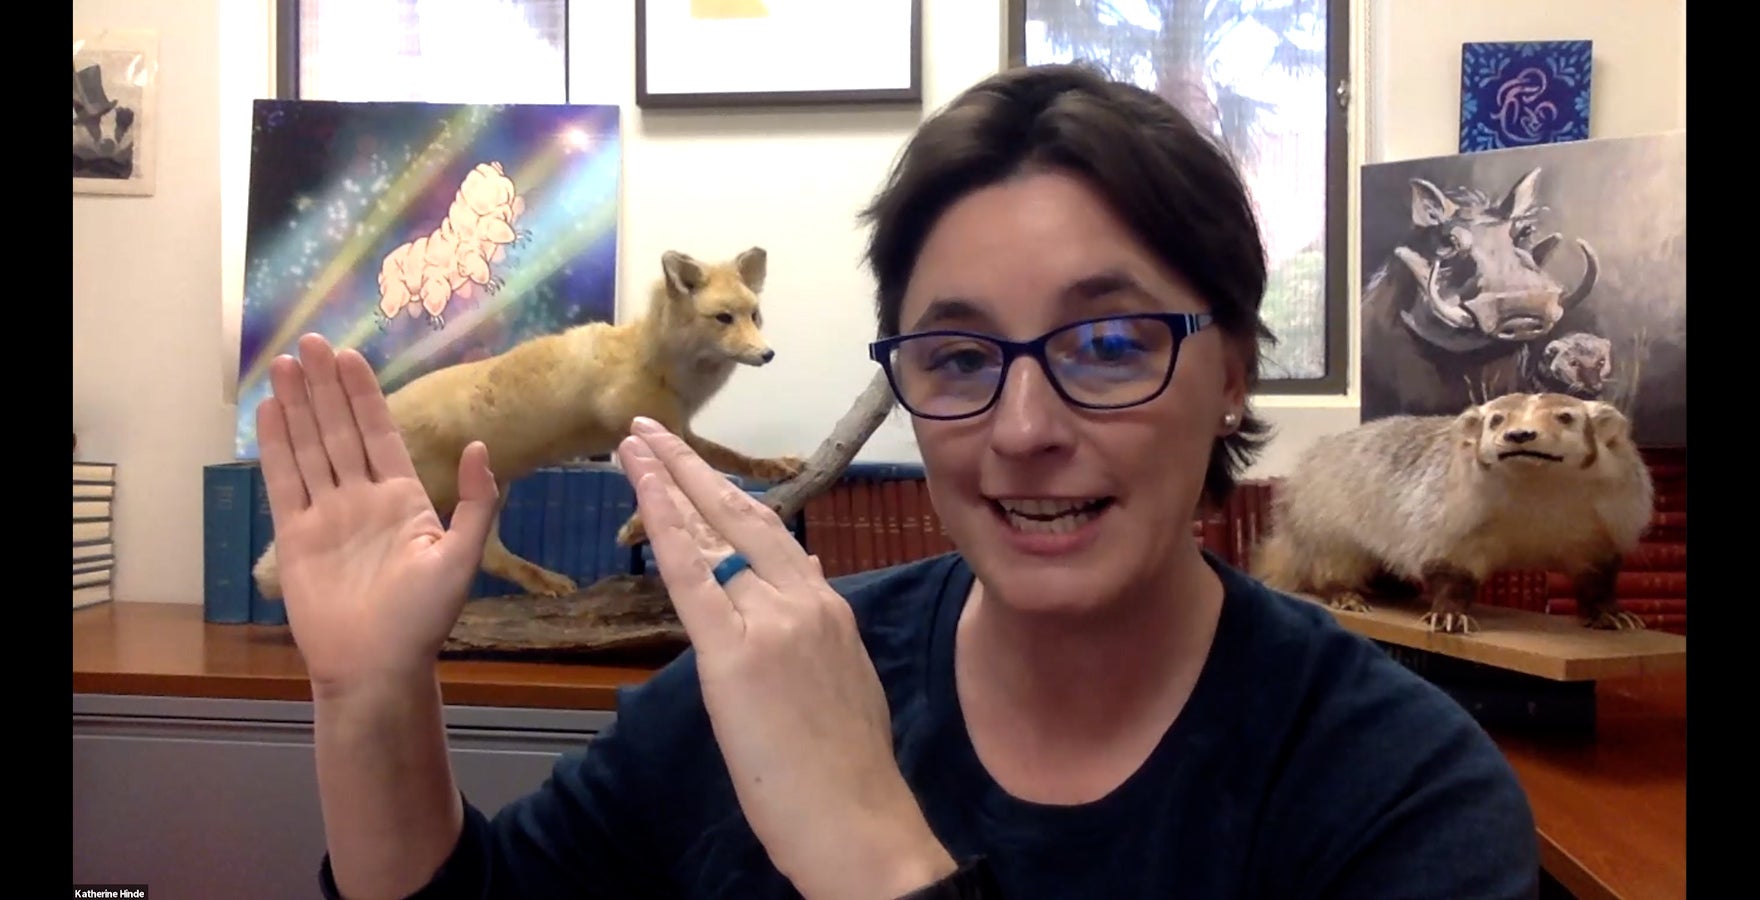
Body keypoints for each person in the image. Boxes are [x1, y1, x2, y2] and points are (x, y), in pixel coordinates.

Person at [257, 63, 1540, 900]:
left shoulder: (1396, 794)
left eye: (1104, 344)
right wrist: (368, 701)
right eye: (958, 354)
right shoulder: (762, 673)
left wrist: (866, 843)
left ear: (1229, 376)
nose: (1020, 426)